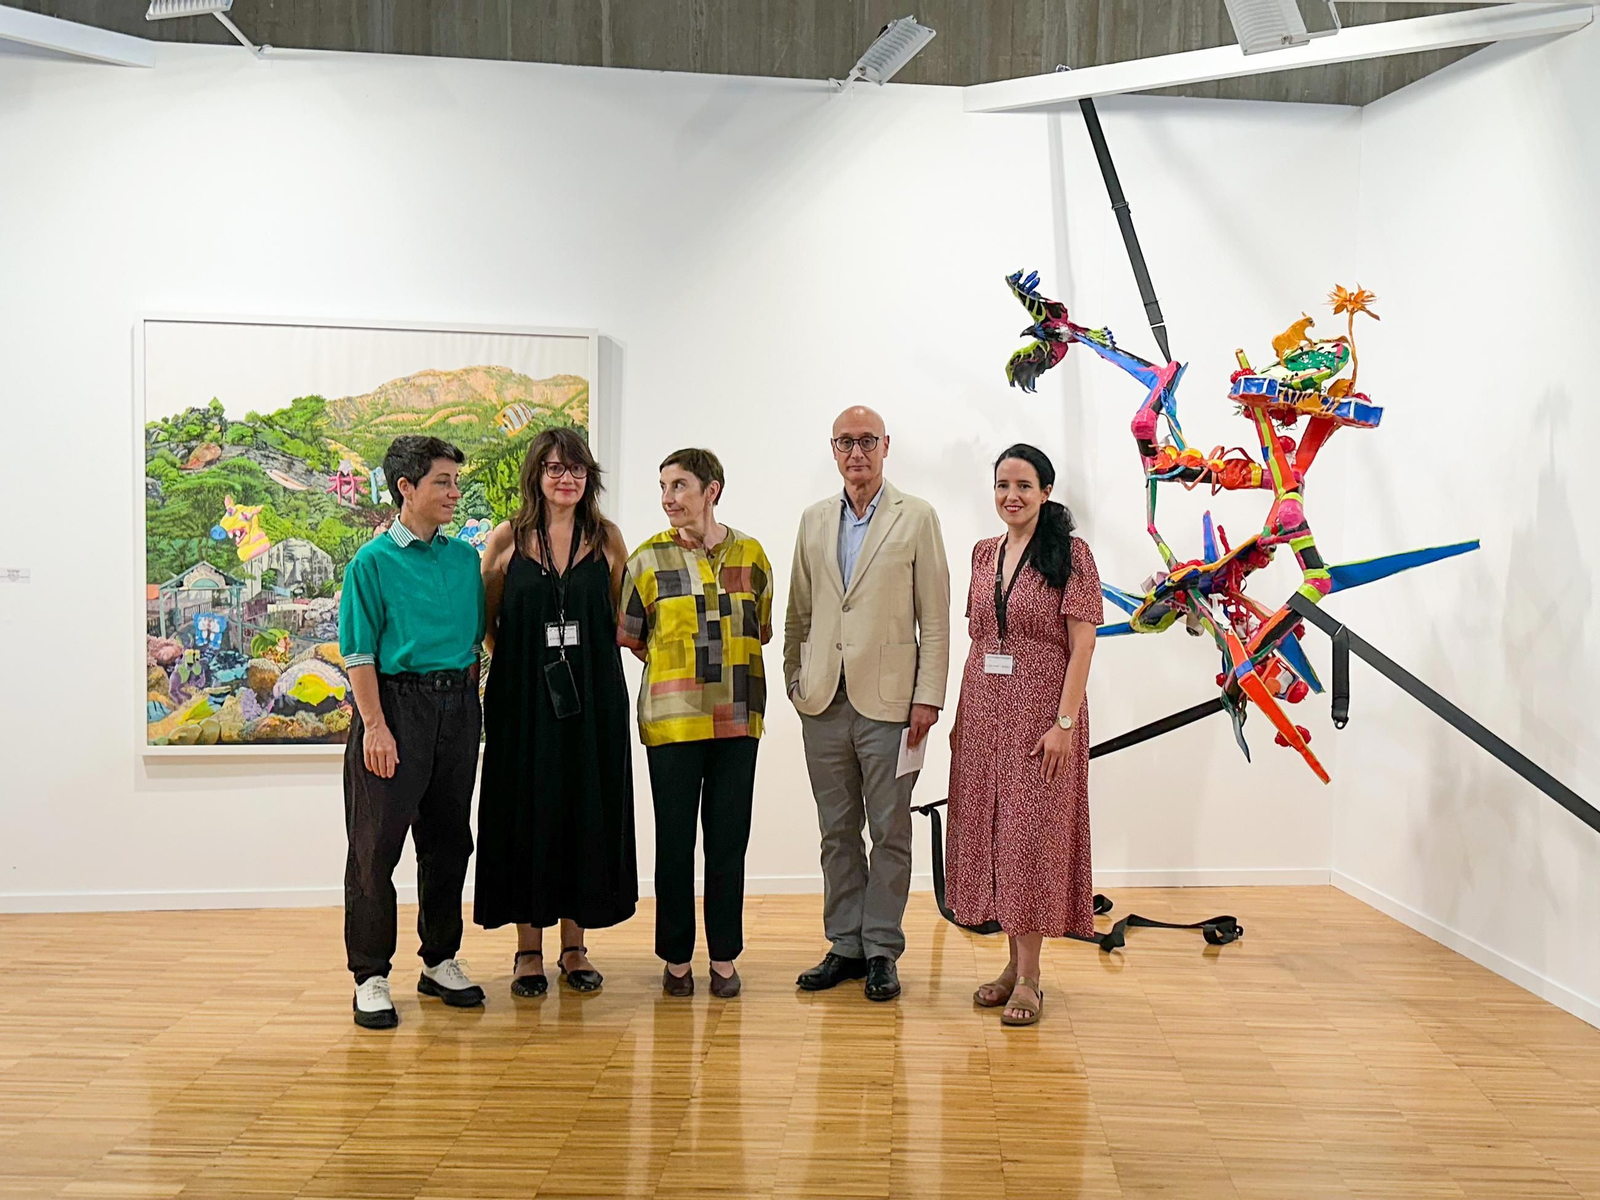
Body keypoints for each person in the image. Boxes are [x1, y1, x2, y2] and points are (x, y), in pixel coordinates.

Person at [784, 406, 950, 1003]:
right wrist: (795, 681)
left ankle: (881, 948)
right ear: (833, 450)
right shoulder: (813, 519)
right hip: (823, 702)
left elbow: (934, 617)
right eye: (845, 442)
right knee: (836, 833)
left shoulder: (917, 517)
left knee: (890, 831)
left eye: (867, 442)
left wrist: (927, 696)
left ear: (886, 447)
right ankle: (844, 945)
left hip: (892, 705)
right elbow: (799, 612)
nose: (857, 453)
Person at [474, 428, 635, 997]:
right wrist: (531, 670)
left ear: (589, 476)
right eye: (553, 468)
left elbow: (619, 620)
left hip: (593, 700)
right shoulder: (505, 539)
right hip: (523, 701)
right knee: (526, 813)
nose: (566, 478)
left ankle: (574, 946)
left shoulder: (608, 538)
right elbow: (489, 626)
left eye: (576, 469)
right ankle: (527, 950)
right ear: (535, 476)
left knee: (583, 809)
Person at [945, 444, 1102, 1027]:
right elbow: (978, 639)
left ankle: (1031, 978)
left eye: (1024, 486)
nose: (1012, 496)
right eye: (1003, 485)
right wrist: (962, 718)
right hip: (984, 709)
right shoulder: (983, 553)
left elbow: (1083, 644)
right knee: (992, 833)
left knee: (1029, 837)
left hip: (1043, 711)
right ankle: (1011, 967)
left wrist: (1064, 724)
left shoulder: (1072, 553)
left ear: (1046, 492)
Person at [340, 435, 487, 1029]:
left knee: (450, 840)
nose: (454, 492)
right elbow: (358, 654)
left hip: (458, 708)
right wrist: (375, 726)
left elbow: (476, 642)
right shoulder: (371, 563)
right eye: (442, 482)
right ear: (406, 487)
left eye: (456, 481)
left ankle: (440, 958)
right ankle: (371, 974)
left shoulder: (463, 558)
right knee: (376, 849)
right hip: (395, 711)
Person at [617, 449, 773, 999]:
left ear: (713, 490)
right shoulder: (645, 561)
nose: (668, 498)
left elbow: (764, 628)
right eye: (662, 486)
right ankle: (677, 959)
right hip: (672, 725)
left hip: (738, 719)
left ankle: (724, 957)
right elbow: (633, 637)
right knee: (675, 842)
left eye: (679, 485)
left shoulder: (752, 556)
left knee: (729, 842)